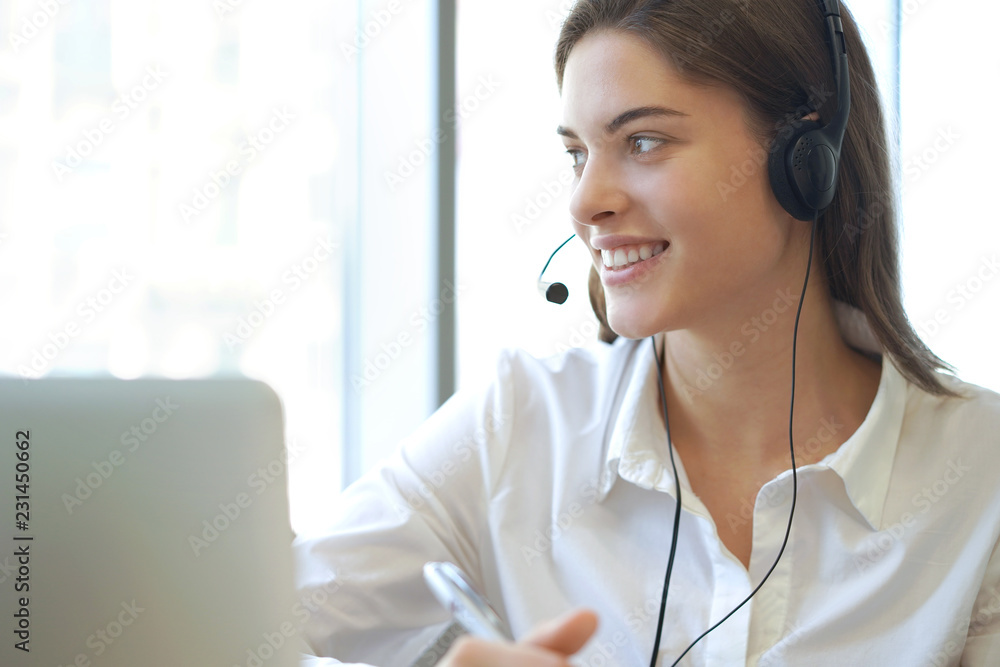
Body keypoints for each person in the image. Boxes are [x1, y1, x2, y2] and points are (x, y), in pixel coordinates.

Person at [294, 0, 1000, 665]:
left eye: (643, 141)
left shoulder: (982, 476)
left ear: (803, 156)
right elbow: (236, 619)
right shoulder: (520, 426)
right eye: (578, 153)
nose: (585, 201)